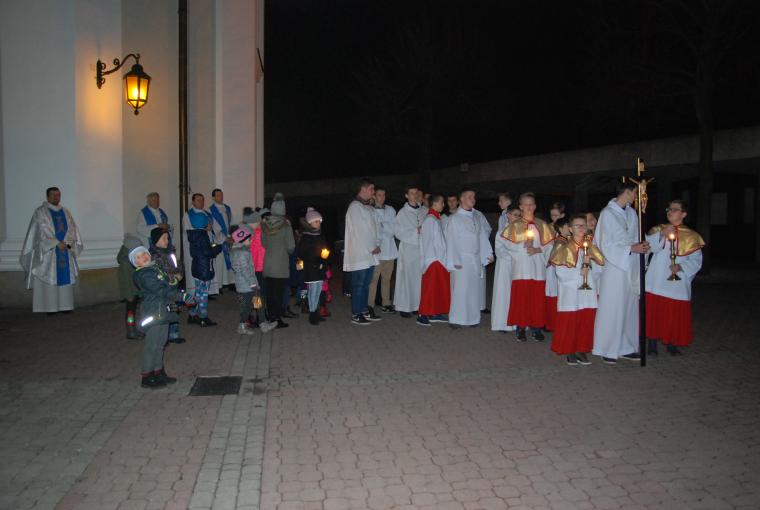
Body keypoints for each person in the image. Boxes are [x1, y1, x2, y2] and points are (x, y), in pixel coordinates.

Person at [592, 182, 650, 364]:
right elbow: (604, 243)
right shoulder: (607, 214)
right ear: (627, 192)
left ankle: (627, 347)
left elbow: (637, 237)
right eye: (636, 193)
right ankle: (607, 348)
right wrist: (630, 249)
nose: (637, 197)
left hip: (630, 265)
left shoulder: (632, 213)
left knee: (629, 307)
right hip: (615, 266)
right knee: (613, 307)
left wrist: (643, 246)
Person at [645, 200, 704, 356]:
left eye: (674, 209)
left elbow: (696, 260)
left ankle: (672, 342)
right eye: (669, 209)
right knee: (654, 312)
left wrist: (681, 267)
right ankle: (652, 344)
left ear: (684, 214)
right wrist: (660, 235)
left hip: (676, 282)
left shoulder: (692, 236)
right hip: (656, 279)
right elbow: (649, 248)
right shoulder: (658, 229)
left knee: (673, 314)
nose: (670, 211)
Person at [130, 245, 193, 389]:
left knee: (160, 344)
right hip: (153, 312)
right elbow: (160, 290)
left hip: (162, 310)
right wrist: (182, 296)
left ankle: (158, 371)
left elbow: (168, 285)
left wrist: (174, 281)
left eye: (144, 254)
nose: (143, 257)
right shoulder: (144, 274)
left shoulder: (155, 269)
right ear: (136, 263)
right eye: (139, 257)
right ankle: (147, 375)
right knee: (152, 345)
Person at [549, 214, 605, 365]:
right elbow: (560, 273)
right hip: (571, 292)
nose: (581, 228)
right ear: (570, 229)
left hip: (588, 291)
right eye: (577, 225)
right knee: (571, 321)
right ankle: (570, 350)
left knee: (585, 320)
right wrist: (580, 272)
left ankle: (582, 349)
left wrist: (590, 266)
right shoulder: (565, 248)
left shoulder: (591, 246)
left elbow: (600, 268)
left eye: (583, 225)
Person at [20, 187, 84, 314]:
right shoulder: (40, 212)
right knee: (49, 278)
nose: (56, 197)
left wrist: (67, 243)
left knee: (64, 278)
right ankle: (50, 308)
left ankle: (66, 306)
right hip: (48, 252)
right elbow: (40, 230)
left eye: (58, 195)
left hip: (64, 250)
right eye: (53, 195)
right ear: (47, 196)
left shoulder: (65, 212)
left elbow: (72, 229)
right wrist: (55, 243)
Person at [502, 192, 556, 340]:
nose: (529, 207)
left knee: (537, 300)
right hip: (522, 268)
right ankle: (521, 327)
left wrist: (537, 249)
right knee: (521, 298)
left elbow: (550, 245)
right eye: (526, 204)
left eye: (531, 204)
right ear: (520, 206)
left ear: (535, 206)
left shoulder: (542, 225)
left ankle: (536, 327)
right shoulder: (514, 226)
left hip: (538, 267)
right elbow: (507, 244)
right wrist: (522, 246)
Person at [445, 188, 494, 328]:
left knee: (473, 289)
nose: (473, 199)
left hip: (475, 259)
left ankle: (472, 318)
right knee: (460, 290)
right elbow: (451, 240)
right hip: (462, 259)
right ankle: (456, 319)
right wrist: (455, 260)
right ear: (461, 199)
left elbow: (481, 238)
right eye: (469, 197)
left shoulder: (476, 217)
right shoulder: (455, 219)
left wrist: (487, 254)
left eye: (474, 197)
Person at [343, 177, 381, 325]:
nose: (373, 192)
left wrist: (377, 243)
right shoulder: (355, 207)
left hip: (370, 253)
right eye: (371, 189)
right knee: (359, 284)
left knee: (366, 283)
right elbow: (360, 231)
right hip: (360, 253)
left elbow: (376, 227)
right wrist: (372, 247)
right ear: (363, 189)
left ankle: (364, 310)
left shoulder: (368, 207)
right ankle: (356, 313)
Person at [230, 225, 277, 335]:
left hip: (248, 285)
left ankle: (263, 323)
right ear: (242, 240)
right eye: (249, 239)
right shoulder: (242, 253)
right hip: (247, 287)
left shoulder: (239, 251)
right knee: (248, 306)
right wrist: (253, 284)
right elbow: (245, 271)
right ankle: (242, 326)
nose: (251, 241)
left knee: (258, 303)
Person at [185, 197, 223, 326]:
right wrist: (217, 248)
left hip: (197, 266)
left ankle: (192, 314)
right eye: (209, 223)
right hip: (204, 267)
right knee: (203, 294)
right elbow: (207, 252)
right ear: (205, 224)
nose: (211, 224)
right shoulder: (202, 236)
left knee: (198, 292)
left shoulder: (194, 235)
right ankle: (203, 317)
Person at [262, 193, 295, 328]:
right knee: (278, 293)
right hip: (280, 264)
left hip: (268, 263)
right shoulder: (286, 225)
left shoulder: (265, 224)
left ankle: (270, 316)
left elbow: (263, 243)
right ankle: (276, 318)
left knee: (270, 292)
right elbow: (291, 246)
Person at [417, 193, 449, 326]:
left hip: (438, 259)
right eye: (442, 202)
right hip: (433, 259)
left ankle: (435, 312)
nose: (444, 205)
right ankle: (422, 315)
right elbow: (428, 242)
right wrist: (435, 259)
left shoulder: (436, 219)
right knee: (429, 288)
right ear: (435, 203)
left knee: (437, 288)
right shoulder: (430, 220)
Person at [393, 185, 425, 318]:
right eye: (411, 193)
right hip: (408, 250)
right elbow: (397, 232)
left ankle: (417, 306)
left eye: (416, 193)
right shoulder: (402, 213)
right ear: (406, 196)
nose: (414, 195)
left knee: (419, 279)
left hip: (421, 250)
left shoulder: (423, 211)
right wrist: (415, 231)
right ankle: (405, 307)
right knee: (406, 279)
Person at [149, 227, 185, 344]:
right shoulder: (154, 256)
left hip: (173, 287)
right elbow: (159, 274)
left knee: (173, 310)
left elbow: (178, 265)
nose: (167, 241)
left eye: (167, 238)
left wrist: (180, 274)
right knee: (164, 313)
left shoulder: (170, 252)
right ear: (156, 240)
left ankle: (174, 334)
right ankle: (163, 337)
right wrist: (172, 278)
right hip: (163, 290)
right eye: (163, 238)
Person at [368, 186, 398, 314]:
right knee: (373, 280)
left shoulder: (391, 210)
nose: (382, 197)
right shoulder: (370, 210)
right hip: (377, 251)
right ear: (374, 196)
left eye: (384, 195)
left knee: (387, 279)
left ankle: (386, 303)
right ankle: (370, 305)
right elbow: (373, 230)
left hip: (390, 250)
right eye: (379, 195)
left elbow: (394, 230)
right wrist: (387, 226)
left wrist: (383, 226)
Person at [182, 193, 219, 296]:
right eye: (198, 200)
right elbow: (187, 230)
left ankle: (208, 291)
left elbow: (213, 228)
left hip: (208, 242)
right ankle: (195, 292)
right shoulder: (188, 215)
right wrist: (203, 229)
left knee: (209, 266)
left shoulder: (207, 213)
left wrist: (211, 230)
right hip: (196, 246)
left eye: (202, 200)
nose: (201, 202)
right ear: (193, 202)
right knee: (199, 268)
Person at [297, 208, 330, 325]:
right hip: (311, 268)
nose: (318, 223)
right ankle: (312, 314)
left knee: (319, 290)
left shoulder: (320, 236)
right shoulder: (306, 237)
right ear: (310, 223)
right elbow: (303, 253)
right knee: (312, 291)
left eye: (319, 221)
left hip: (320, 267)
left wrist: (325, 256)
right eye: (316, 221)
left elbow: (325, 249)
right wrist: (318, 256)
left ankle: (316, 312)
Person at [492, 204, 520, 333]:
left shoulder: (521, 232)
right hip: (505, 265)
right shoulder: (501, 231)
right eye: (515, 215)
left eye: (519, 215)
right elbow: (499, 251)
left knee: (515, 293)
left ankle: (516, 322)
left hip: (517, 266)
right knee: (503, 293)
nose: (517, 218)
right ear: (508, 215)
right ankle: (502, 323)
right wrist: (515, 256)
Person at [545, 217, 570, 332]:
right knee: (554, 297)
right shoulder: (560, 242)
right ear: (560, 228)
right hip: (556, 274)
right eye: (567, 226)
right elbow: (553, 259)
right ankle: (552, 324)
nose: (570, 228)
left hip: (559, 273)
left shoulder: (566, 240)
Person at [117, 233, 144, 339]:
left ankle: (134, 329)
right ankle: (131, 330)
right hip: (130, 293)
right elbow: (125, 281)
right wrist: (129, 295)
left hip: (134, 290)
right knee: (130, 312)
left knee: (133, 311)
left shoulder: (131, 259)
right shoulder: (126, 263)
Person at [209, 188, 234, 292]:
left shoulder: (227, 208)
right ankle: (219, 285)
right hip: (219, 240)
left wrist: (230, 236)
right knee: (220, 263)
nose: (221, 197)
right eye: (218, 195)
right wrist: (224, 238)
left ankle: (230, 283)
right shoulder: (211, 210)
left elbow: (230, 223)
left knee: (230, 260)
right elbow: (215, 227)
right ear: (213, 197)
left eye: (221, 195)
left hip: (228, 238)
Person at [473, 206, 492, 314]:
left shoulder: (478, 214)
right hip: (467, 253)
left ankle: (481, 305)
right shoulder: (458, 215)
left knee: (481, 279)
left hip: (479, 250)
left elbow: (487, 228)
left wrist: (481, 238)